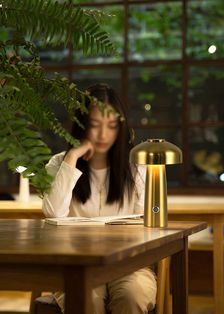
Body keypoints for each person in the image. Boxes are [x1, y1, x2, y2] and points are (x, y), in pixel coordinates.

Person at [42, 83, 157, 314]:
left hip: (129, 265)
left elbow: (147, 223)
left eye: (111, 126)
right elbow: (53, 212)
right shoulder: (59, 163)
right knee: (87, 300)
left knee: (131, 295)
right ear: (81, 125)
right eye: (94, 125)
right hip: (77, 266)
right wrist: (72, 156)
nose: (103, 135)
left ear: (121, 128)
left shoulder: (137, 167)